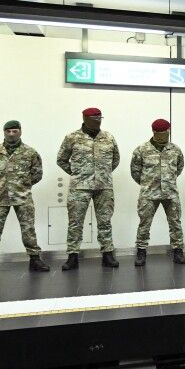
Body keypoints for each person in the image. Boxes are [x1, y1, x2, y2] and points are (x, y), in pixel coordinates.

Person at [0, 120, 48, 275]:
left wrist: (22, 185)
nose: (11, 134)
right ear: (4, 132)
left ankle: (35, 259)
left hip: (22, 196)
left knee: (28, 229)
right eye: (8, 131)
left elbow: (37, 174)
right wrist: (3, 184)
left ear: (20, 131)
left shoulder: (30, 152)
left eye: (14, 131)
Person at [58, 106, 120, 270]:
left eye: (100, 118)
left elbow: (115, 159)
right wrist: (77, 173)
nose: (97, 121)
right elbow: (61, 159)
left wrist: (103, 173)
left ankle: (107, 254)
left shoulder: (108, 137)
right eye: (94, 118)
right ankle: (72, 256)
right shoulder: (72, 137)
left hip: (104, 186)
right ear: (85, 119)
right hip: (80, 187)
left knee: (105, 222)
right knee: (75, 223)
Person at [129, 118, 185, 267]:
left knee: (175, 223)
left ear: (169, 131)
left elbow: (179, 168)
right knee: (144, 224)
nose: (163, 135)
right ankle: (141, 252)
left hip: (171, 193)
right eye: (160, 133)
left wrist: (167, 181)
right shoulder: (141, 150)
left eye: (166, 133)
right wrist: (147, 184)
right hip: (149, 194)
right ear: (153, 132)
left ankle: (178, 251)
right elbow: (135, 172)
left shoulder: (175, 150)